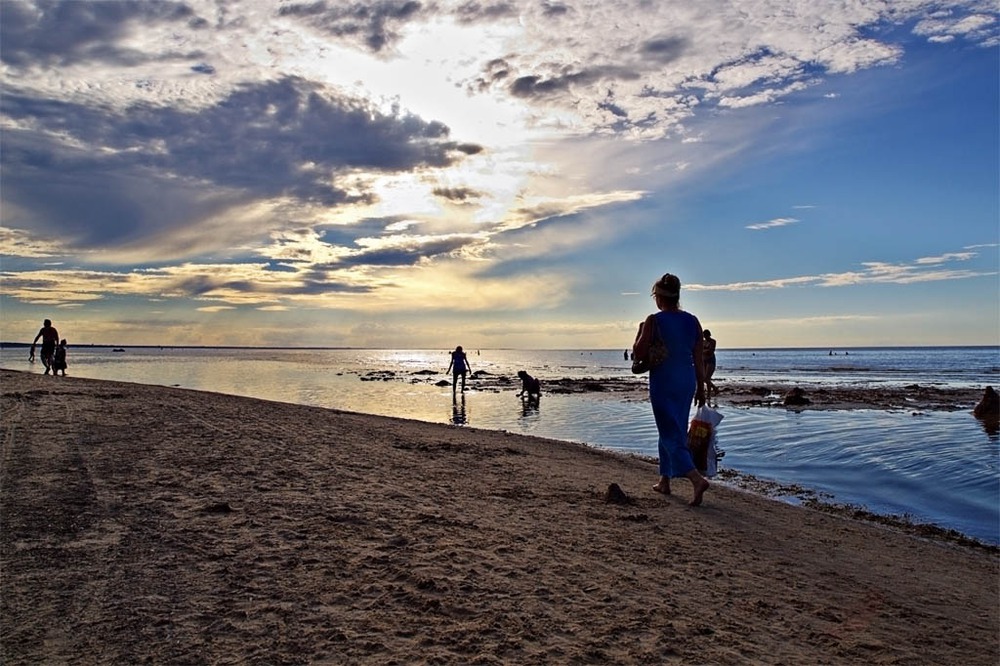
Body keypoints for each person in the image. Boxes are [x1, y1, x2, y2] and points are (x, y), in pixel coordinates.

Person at [633, 273, 710, 506]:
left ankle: (695, 479)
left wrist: (640, 332)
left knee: (670, 432)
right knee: (671, 428)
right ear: (677, 296)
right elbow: (699, 359)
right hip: (686, 380)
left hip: (664, 380)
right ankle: (664, 479)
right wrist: (701, 387)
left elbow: (638, 353)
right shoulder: (693, 321)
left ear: (658, 297)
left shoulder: (653, 320)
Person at [702, 329, 717, 396]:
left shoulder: (713, 341)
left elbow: (710, 351)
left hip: (710, 360)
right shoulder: (703, 342)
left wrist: (703, 351)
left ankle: (709, 393)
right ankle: (714, 388)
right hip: (704, 360)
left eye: (706, 335)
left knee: (707, 378)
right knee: (704, 378)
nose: (705, 337)